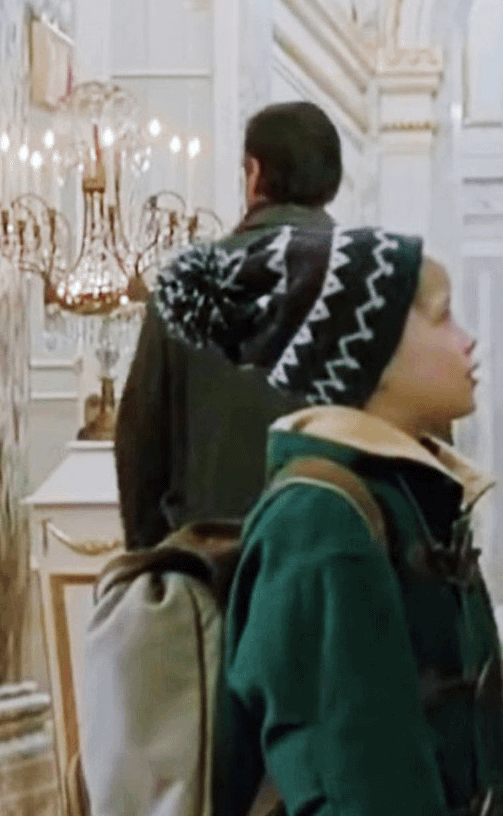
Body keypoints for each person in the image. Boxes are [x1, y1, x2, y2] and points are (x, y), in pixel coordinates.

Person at [149, 224, 503, 816]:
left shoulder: (401, 499)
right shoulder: (321, 517)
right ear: (370, 351)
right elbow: (350, 749)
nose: (467, 340)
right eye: (441, 315)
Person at [115, 101, 343, 551]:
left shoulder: (189, 283)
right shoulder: (380, 279)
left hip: (213, 564)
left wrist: (154, 556)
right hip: (338, 564)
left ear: (253, 173)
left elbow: (141, 444)